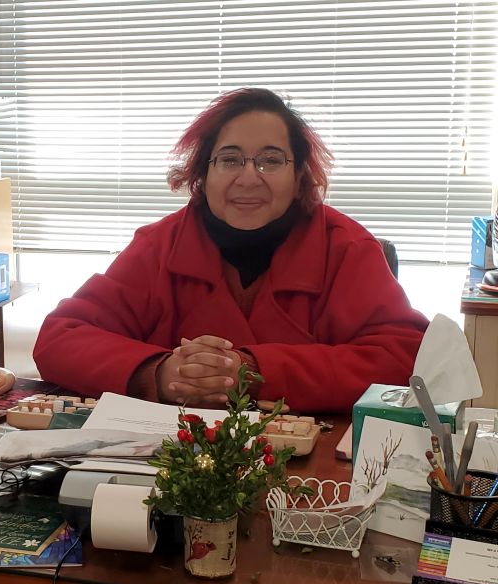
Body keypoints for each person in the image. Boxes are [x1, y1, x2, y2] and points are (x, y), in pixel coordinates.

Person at [33, 88, 428, 413]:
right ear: (202, 173)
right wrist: (159, 373)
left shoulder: (346, 247)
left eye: (271, 160)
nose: (248, 178)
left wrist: (253, 372)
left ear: (300, 175)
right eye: (229, 159)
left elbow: (405, 358)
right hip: (171, 459)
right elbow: (60, 338)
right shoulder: (159, 245)